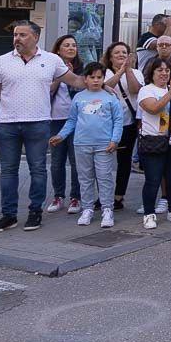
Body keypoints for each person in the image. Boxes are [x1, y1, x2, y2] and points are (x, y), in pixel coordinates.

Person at [0, 21, 82, 233]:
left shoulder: (51, 60)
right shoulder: (1, 61)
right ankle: (9, 215)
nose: (17, 38)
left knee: (38, 169)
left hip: (38, 122)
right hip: (7, 123)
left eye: (23, 35)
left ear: (35, 37)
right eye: (16, 35)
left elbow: (74, 80)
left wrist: (102, 83)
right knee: (8, 171)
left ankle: (35, 212)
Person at [52, 63, 121, 229]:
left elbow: (118, 120)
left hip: (104, 144)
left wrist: (115, 140)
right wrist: (61, 135)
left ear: (104, 78)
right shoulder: (78, 97)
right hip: (82, 144)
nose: (96, 80)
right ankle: (87, 208)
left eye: (99, 77)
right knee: (85, 178)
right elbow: (72, 120)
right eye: (92, 77)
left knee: (104, 177)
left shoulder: (110, 97)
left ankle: (107, 209)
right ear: (85, 78)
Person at [136, 57, 171, 229]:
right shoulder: (146, 90)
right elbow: (153, 108)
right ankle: (149, 214)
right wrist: (169, 93)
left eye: (167, 70)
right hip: (154, 141)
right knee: (153, 179)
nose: (164, 73)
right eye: (160, 70)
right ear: (152, 72)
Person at [101, 42, 143, 211]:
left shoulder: (136, 73)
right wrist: (119, 71)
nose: (121, 55)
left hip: (128, 123)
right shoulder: (103, 72)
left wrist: (127, 70)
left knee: (124, 161)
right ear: (110, 56)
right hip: (105, 124)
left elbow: (134, 90)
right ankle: (103, 196)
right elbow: (105, 87)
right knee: (103, 161)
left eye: (124, 52)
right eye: (117, 52)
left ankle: (118, 196)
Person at [46, 35, 82, 215]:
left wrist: (73, 74)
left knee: (76, 161)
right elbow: (47, 91)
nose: (71, 48)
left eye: (73, 45)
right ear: (58, 49)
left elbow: (85, 88)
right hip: (55, 120)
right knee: (57, 160)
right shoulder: (49, 67)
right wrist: (62, 76)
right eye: (66, 45)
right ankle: (58, 195)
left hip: (77, 120)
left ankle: (76, 197)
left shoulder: (82, 68)